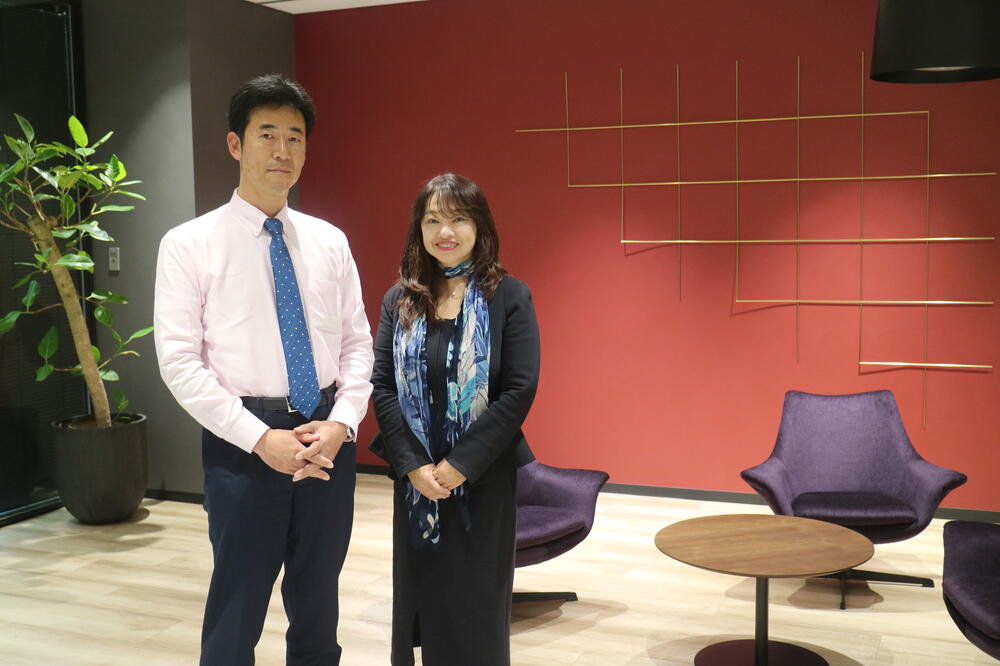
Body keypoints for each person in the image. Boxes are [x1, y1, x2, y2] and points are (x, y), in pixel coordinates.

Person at [153, 74, 373, 666]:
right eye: (267, 134)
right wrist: (259, 438)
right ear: (235, 144)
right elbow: (179, 362)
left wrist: (343, 422)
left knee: (319, 596)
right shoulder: (189, 244)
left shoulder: (329, 241)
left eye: (295, 137)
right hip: (243, 444)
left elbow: (358, 344)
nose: (282, 150)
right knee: (238, 599)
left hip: (325, 436)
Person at [369, 173, 541, 665]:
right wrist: (412, 466)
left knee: (477, 604)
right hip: (417, 481)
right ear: (418, 230)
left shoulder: (509, 297)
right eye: (432, 221)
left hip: (483, 479)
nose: (445, 232)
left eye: (458, 219)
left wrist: (461, 464)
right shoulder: (399, 300)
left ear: (479, 226)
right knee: (422, 596)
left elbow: (519, 389)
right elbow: (382, 385)